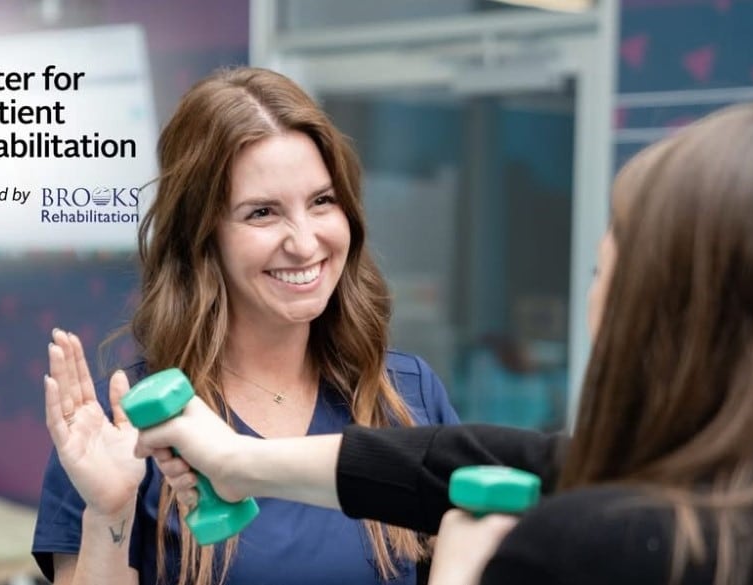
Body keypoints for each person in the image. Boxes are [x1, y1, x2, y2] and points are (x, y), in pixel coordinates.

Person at [129, 102, 753, 585]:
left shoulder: (588, 547)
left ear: (659, 311)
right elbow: (480, 461)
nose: (303, 238)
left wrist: (462, 573)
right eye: (262, 212)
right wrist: (238, 462)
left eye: (602, 266)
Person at [32, 66, 460, 585]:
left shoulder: (406, 396)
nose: (305, 242)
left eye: (322, 201)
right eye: (262, 213)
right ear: (202, 237)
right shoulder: (120, 429)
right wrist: (110, 514)